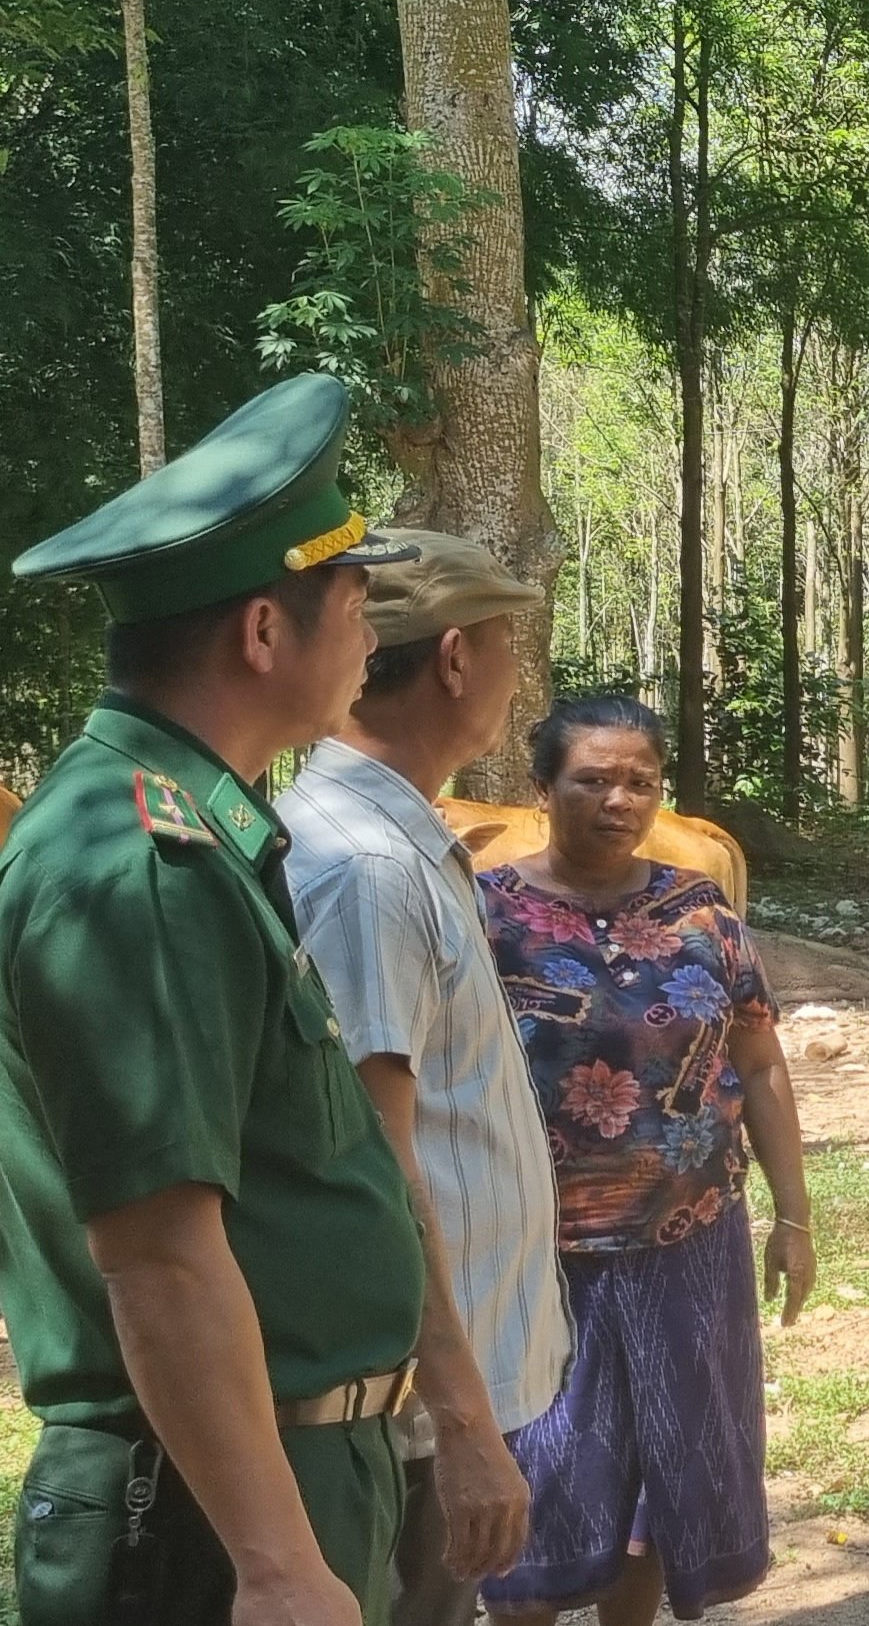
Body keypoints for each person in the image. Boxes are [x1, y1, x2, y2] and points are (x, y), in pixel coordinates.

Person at [0, 373, 429, 1625]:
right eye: (357, 602)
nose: (371, 636)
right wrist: (281, 1566)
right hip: (205, 1517)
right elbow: (159, 1258)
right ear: (262, 631)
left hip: (275, 1477)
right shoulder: (138, 862)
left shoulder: (197, 829)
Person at [281, 531, 569, 1626]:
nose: (513, 676)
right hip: (403, 1416)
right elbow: (376, 1156)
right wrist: (459, 1420)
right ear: (455, 657)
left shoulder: (397, 843)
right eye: (507, 647)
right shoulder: (366, 869)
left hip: (426, 1398)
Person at [479, 695, 815, 1625]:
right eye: (592, 779)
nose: (618, 800)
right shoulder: (487, 919)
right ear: (543, 788)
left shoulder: (699, 912)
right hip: (541, 1253)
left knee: (662, 1478)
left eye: (640, 782)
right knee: (541, 1476)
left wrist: (794, 1216)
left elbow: (758, 1060)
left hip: (691, 1241)